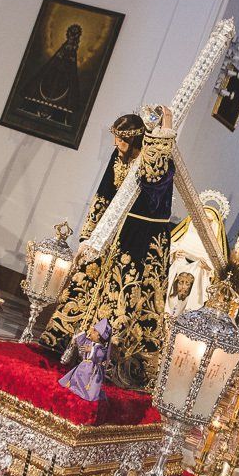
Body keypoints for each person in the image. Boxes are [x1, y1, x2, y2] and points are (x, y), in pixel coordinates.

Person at [41, 107, 176, 390]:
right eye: (116, 139)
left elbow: (154, 183)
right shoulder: (118, 158)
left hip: (138, 239)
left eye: (123, 140)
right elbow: (103, 196)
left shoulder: (158, 164)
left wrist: (165, 128)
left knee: (123, 297)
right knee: (86, 284)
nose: (117, 145)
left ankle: (107, 358)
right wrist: (87, 237)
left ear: (137, 140)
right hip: (108, 234)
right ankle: (67, 344)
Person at [165, 196, 229, 315]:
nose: (204, 224)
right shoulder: (187, 232)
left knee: (189, 306)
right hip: (178, 269)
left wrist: (208, 268)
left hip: (198, 276)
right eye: (201, 219)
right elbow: (170, 246)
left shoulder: (214, 245)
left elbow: (217, 267)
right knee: (169, 300)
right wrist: (174, 254)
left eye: (209, 221)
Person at [59, 318, 111, 402]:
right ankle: (75, 386)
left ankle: (86, 392)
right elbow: (82, 343)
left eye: (94, 331)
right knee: (77, 377)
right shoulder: (90, 342)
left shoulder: (101, 348)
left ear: (99, 336)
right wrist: (80, 332)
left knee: (86, 381)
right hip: (83, 366)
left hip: (92, 369)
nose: (91, 332)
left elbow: (101, 355)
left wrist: (92, 350)